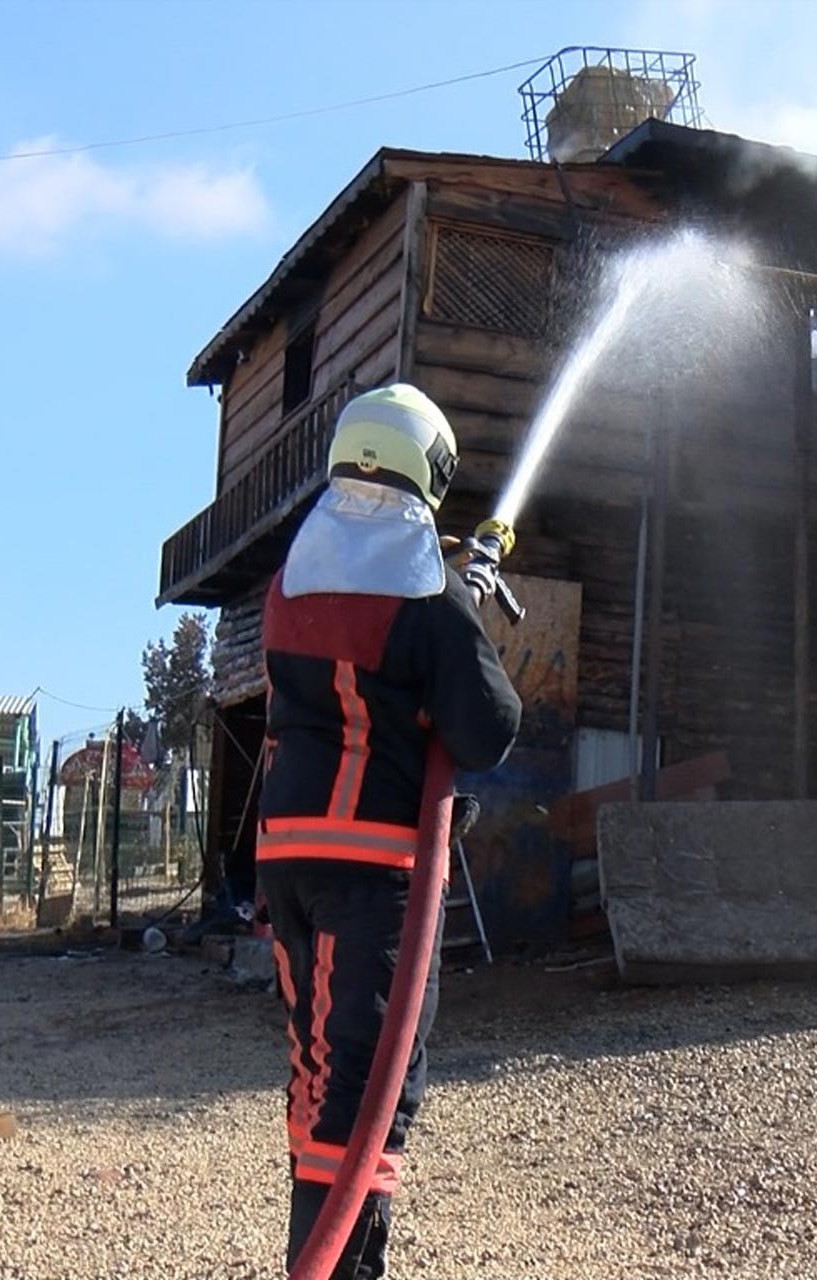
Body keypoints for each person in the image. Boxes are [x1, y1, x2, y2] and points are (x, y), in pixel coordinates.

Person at [258, 383, 520, 1279]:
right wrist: (464, 619)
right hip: (375, 871)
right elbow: (487, 729)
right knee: (367, 1095)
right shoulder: (430, 598)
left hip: (287, 859)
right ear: (429, 470)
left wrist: (454, 595)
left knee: (321, 1073)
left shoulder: (292, 578)